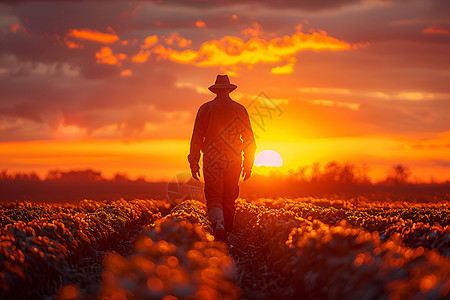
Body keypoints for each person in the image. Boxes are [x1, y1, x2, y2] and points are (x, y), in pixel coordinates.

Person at [188, 74, 256, 244]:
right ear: (228, 89)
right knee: (229, 198)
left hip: (212, 159)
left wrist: (194, 161)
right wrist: (248, 164)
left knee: (214, 197)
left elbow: (197, 138)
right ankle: (229, 234)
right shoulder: (240, 109)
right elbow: (249, 140)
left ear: (216, 90)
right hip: (233, 159)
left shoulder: (205, 109)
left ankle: (218, 225)